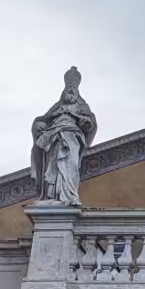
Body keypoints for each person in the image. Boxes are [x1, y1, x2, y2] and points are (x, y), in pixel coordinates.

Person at [31, 67, 97, 205]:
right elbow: (42, 120)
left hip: (73, 136)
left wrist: (86, 124)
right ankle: (52, 196)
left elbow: (90, 124)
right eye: (69, 88)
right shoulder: (56, 109)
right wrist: (40, 126)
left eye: (74, 89)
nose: (71, 90)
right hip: (54, 137)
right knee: (53, 165)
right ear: (63, 92)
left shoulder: (82, 108)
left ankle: (69, 194)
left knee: (70, 164)